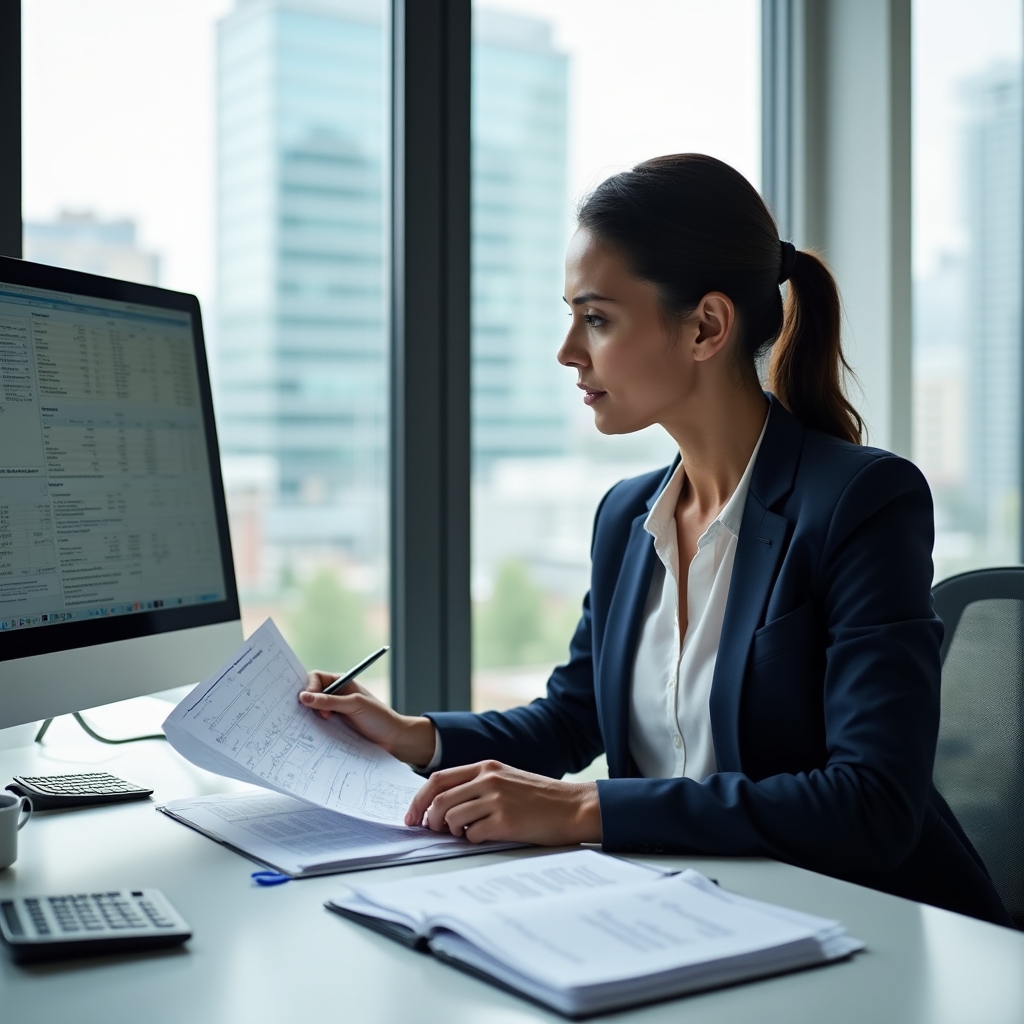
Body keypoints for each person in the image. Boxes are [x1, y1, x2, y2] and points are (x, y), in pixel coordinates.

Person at [300, 153, 1010, 926]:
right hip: (684, 917)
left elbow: (870, 804)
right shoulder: (626, 516)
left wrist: (584, 811)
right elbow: (573, 721)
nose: (569, 349)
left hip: (861, 932)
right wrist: (413, 735)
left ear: (706, 325)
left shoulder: (861, 501)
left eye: (597, 318)